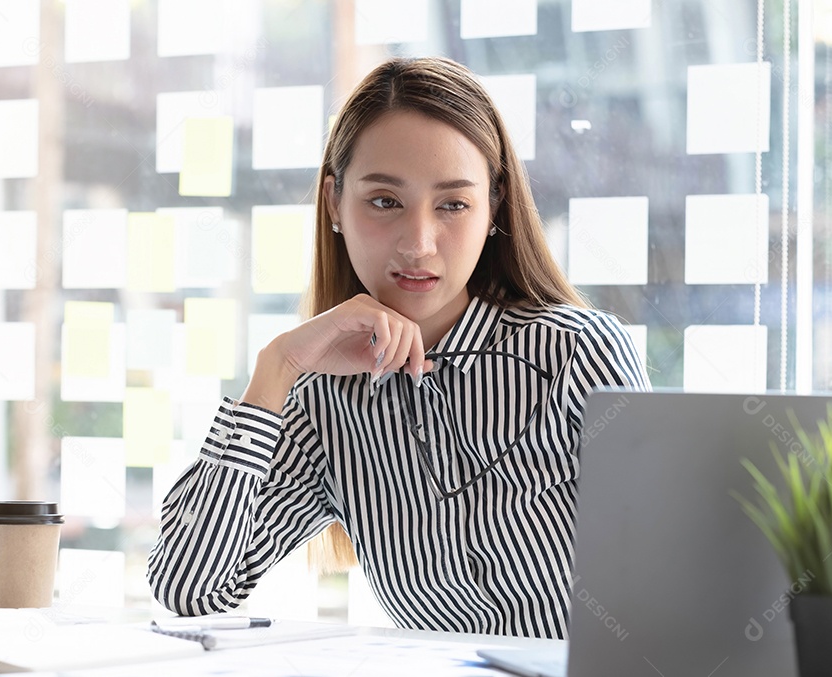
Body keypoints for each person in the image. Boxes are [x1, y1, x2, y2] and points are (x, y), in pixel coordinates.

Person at [149, 56, 650, 638]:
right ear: (335, 202)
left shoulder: (576, 354)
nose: (418, 244)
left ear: (494, 208)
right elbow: (189, 590)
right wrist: (275, 371)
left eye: (453, 205)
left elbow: (666, 587)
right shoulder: (323, 401)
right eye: (385, 201)